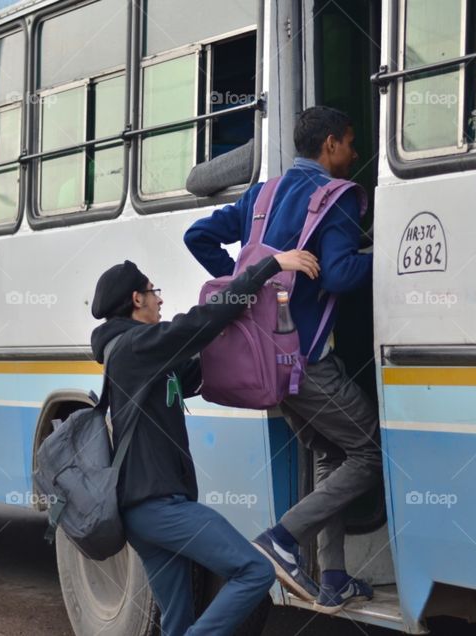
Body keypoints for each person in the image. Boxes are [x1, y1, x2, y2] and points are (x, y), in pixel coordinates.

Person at [183, 105, 382, 614]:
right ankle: (281, 539)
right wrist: (385, 257)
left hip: (266, 362)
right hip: (308, 360)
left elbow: (197, 235)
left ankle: (333, 576)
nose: (354, 154)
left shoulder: (262, 194)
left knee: (331, 455)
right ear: (331, 144)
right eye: (351, 142)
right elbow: (337, 276)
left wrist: (247, 285)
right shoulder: (335, 200)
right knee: (368, 453)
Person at [90, 249, 319, 636]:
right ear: (136, 300)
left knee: (176, 622)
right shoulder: (135, 346)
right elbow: (200, 322)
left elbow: (199, 370)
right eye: (153, 291)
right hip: (159, 506)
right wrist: (268, 268)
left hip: (145, 511)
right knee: (255, 570)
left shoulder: (138, 353)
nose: (161, 299)